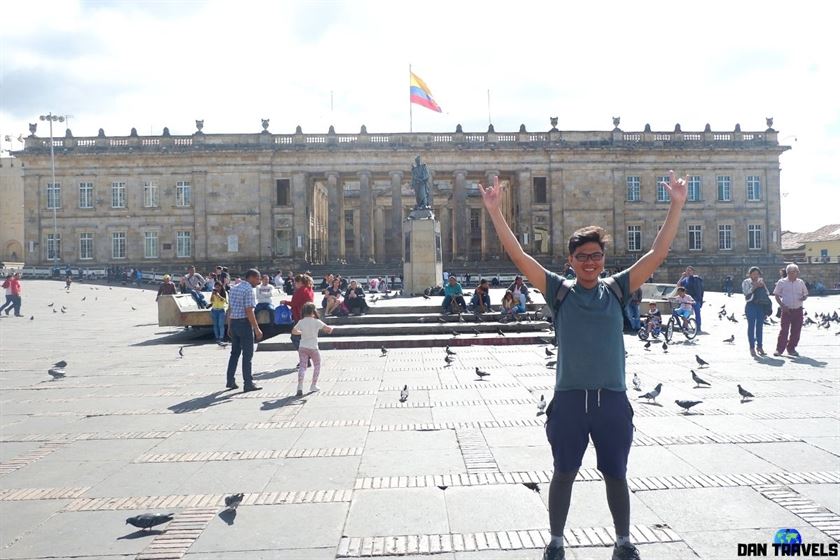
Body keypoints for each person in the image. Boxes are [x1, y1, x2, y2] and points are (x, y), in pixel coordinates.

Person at [481, 170, 687, 560]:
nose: (590, 262)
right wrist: (494, 212)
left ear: (603, 259)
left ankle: (623, 540)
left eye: (596, 256)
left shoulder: (617, 288)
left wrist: (676, 205)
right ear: (571, 261)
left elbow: (657, 253)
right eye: (582, 257)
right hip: (571, 400)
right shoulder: (559, 291)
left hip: (611, 399)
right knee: (563, 472)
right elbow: (518, 255)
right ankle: (556, 540)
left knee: (615, 473)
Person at [225, 268, 263, 392]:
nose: (259, 281)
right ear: (250, 277)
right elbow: (249, 311)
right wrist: (256, 328)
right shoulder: (248, 290)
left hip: (234, 323)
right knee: (247, 355)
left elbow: (230, 308)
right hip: (244, 324)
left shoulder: (234, 288)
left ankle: (230, 380)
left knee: (234, 353)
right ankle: (248, 383)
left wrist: (229, 326)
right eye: (257, 278)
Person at [291, 302, 334, 396]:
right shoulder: (316, 321)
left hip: (302, 346)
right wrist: (331, 329)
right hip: (313, 347)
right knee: (317, 365)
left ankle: (300, 386)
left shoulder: (301, 321)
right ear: (314, 311)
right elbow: (327, 329)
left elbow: (294, 331)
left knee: (302, 366)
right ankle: (313, 385)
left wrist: (301, 332)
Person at [773, 263, 809, 357]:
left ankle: (791, 348)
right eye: (790, 272)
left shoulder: (800, 282)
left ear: (797, 273)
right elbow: (776, 295)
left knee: (796, 331)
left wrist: (804, 298)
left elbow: (805, 294)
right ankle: (779, 349)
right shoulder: (781, 282)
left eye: (794, 272)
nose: (792, 274)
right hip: (786, 310)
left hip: (798, 309)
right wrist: (782, 305)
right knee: (784, 330)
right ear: (787, 272)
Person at [282, 273, 315, 368]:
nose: (294, 285)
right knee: (303, 339)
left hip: (300, 318)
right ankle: (306, 359)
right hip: (308, 317)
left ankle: (306, 358)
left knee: (295, 338)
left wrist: (285, 302)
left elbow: (294, 303)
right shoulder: (309, 289)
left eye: (295, 283)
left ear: (300, 282)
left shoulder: (301, 290)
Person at [742, 267, 771, 357]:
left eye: (757, 274)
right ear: (750, 274)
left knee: (760, 327)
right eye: (753, 274)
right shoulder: (746, 282)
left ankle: (760, 346)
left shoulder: (761, 281)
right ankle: (751, 347)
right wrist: (754, 287)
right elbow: (746, 294)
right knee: (751, 327)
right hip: (751, 305)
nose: (755, 275)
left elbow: (767, 293)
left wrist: (763, 286)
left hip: (760, 306)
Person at [677, 266, 704, 333]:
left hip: (695, 299)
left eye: (689, 270)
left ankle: (698, 328)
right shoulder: (685, 279)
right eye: (687, 270)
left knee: (697, 313)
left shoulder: (696, 279)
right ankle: (686, 327)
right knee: (686, 313)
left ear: (693, 272)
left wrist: (700, 300)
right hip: (687, 300)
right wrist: (682, 276)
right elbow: (678, 285)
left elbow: (700, 290)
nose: (688, 272)